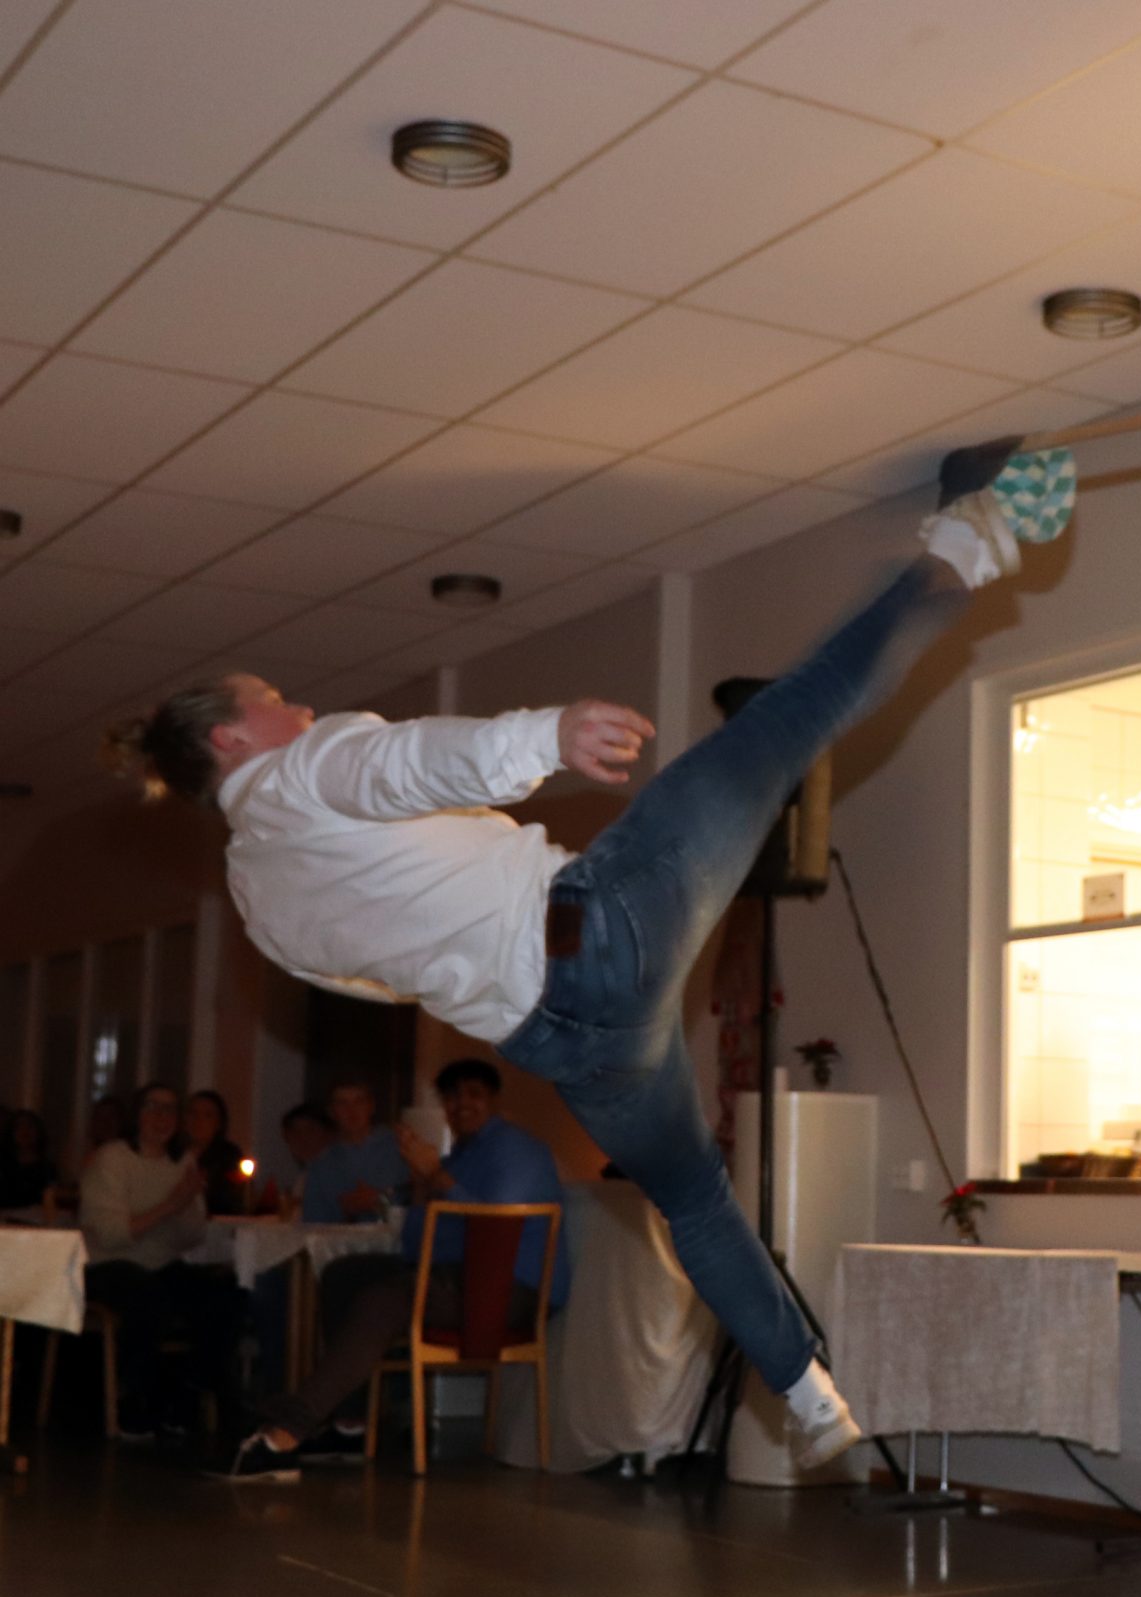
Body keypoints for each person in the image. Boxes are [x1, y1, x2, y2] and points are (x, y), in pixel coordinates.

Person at [107, 493, 1021, 1477]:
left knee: (695, 1199)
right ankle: (961, 554)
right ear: (231, 739)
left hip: (564, 1042)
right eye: (273, 700)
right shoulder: (307, 762)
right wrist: (546, 736)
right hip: (598, 928)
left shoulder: (258, 906)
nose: (298, 709)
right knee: (782, 726)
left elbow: (385, 984)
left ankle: (805, 1389)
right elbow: (403, 761)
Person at [213, 1059, 568, 1479]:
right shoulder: (459, 1156)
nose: (462, 1105)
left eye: (473, 1094)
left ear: (493, 1099)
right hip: (456, 1276)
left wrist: (434, 1175)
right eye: (452, 1097)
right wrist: (422, 1183)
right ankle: (350, 1423)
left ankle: (285, 1433)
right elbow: (416, 1243)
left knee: (385, 1300)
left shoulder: (516, 1149)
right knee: (344, 1273)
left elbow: (496, 1228)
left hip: (508, 1289)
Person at [77, 1081, 245, 1439]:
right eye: (152, 1107)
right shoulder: (113, 1158)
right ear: (137, 1114)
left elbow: (192, 1235)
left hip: (160, 1263)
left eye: (169, 1109)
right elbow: (111, 1235)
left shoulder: (181, 1162)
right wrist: (171, 1205)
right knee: (147, 1295)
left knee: (226, 1294)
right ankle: (135, 1403)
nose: (161, 1116)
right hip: (107, 1264)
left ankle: (188, 1390)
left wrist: (183, 1206)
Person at [299, 1079, 408, 1224]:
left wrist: (379, 1201)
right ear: (331, 1111)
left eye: (359, 1101)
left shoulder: (401, 1149)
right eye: (342, 1103)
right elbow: (314, 1225)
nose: (352, 1110)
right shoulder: (321, 1166)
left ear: (371, 1106)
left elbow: (421, 1205)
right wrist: (347, 1211)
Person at [183, 1089, 248, 1216]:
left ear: (218, 1123)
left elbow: (230, 1200)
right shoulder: (174, 1152)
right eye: (193, 1113)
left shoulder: (228, 1155)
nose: (198, 1120)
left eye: (207, 1115)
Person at [275, 1102, 335, 1215]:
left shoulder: (336, 1173)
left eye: (310, 1131)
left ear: (328, 1134)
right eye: (295, 1132)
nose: (303, 1139)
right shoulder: (306, 1174)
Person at [0, 1108, 57, 1210]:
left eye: (29, 1126)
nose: (24, 1131)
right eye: (19, 1127)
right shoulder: (3, 1164)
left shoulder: (47, 1168)